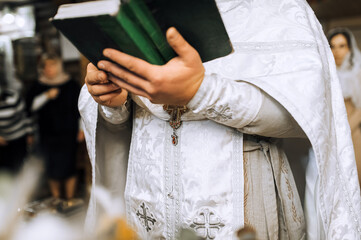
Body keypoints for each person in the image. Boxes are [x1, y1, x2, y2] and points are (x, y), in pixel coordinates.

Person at [79, 0, 361, 239]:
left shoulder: (275, 6)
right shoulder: (133, 7)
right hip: (145, 206)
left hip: (241, 208)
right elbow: (115, 132)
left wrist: (200, 92)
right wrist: (112, 101)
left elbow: (306, 115)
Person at [27, 53, 82, 200]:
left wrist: (82, 128)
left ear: (59, 66)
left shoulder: (71, 84)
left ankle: (69, 200)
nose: (48, 69)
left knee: (69, 166)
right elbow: (30, 107)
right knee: (52, 169)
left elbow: (80, 108)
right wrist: (46, 96)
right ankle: (56, 200)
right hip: (47, 134)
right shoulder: (38, 85)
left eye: (52, 65)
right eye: (45, 66)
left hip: (68, 132)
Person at [328, 28, 361, 184]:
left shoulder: (357, 73)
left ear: (349, 48)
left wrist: (344, 130)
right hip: (329, 134)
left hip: (352, 133)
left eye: (342, 46)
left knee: (353, 178)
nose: (337, 51)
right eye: (332, 46)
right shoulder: (326, 75)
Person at [0, 36, 33, 173]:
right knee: (6, 171)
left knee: (20, 168)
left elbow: (25, 116)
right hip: (3, 140)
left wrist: (29, 134)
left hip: (18, 137)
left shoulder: (12, 97)